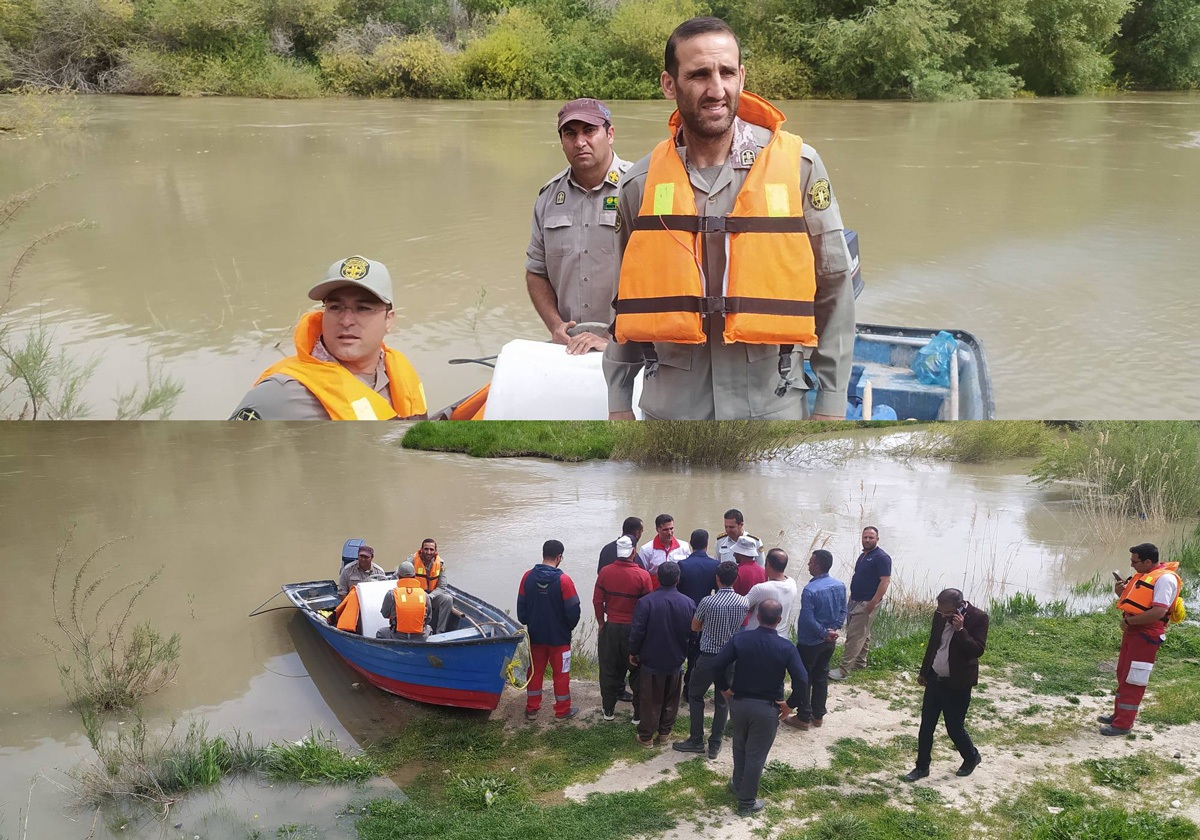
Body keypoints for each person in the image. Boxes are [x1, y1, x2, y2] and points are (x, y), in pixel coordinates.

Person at [603, 17, 854, 421]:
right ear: (670, 84)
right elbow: (623, 298)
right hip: (672, 412)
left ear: (742, 76)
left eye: (727, 72)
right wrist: (618, 404)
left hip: (773, 406)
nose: (716, 89)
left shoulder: (799, 167)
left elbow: (834, 287)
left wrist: (831, 403)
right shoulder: (639, 185)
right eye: (699, 74)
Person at [231, 256, 427, 420]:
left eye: (363, 308)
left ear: (389, 320)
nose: (346, 320)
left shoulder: (395, 371)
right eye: (335, 307)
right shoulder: (280, 395)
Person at [526, 98, 631, 355]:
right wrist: (555, 325)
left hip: (631, 348)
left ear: (610, 134)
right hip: (569, 350)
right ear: (562, 141)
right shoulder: (548, 197)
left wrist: (612, 335)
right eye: (570, 133)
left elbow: (656, 274)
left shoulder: (638, 187)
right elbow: (536, 272)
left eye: (589, 130)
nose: (580, 142)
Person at [712, 600, 808, 815]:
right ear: (779, 620)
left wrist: (724, 689)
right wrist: (790, 705)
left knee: (739, 745)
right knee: (756, 755)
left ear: (757, 616)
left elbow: (718, 664)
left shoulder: (740, 639)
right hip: (767, 708)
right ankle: (746, 802)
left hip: (739, 704)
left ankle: (738, 784)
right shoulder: (786, 647)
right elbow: (802, 680)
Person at [904, 589, 988, 781]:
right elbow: (933, 643)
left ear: (959, 606)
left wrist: (961, 630)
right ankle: (922, 767)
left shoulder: (978, 617)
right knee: (926, 726)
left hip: (957, 684)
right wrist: (924, 672)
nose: (943, 616)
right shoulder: (940, 614)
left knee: (954, 728)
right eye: (941, 612)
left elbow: (977, 650)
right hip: (935, 679)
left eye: (948, 613)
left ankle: (971, 757)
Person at [1101, 542, 1184, 735]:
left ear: (1148, 561)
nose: (1131, 565)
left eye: (1135, 561)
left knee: (1134, 679)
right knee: (1123, 673)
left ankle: (1123, 725)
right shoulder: (1144, 574)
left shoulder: (1165, 580)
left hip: (1147, 634)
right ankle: (1118, 715)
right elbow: (1139, 601)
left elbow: (1158, 611)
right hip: (1134, 630)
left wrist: (1130, 623)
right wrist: (1121, 593)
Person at [674, 560, 749, 759]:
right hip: (730, 658)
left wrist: (706, 628)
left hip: (708, 656)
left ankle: (696, 739)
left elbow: (694, 626)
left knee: (695, 695)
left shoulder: (707, 601)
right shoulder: (743, 602)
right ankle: (715, 744)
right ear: (736, 579)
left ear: (717, 579)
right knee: (722, 701)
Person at [628, 561, 696, 747]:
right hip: (676, 660)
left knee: (650, 699)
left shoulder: (646, 602)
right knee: (671, 698)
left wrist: (633, 652)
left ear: (657, 578)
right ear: (678, 579)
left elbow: (637, 632)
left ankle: (646, 737)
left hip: (651, 660)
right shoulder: (689, 603)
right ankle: (665, 733)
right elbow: (693, 634)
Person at [516, 540, 582, 720]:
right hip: (559, 639)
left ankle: (532, 709)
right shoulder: (564, 580)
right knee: (561, 674)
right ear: (559, 557)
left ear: (543, 554)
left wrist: (528, 622)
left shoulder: (527, 577)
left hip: (536, 636)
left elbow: (521, 608)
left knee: (535, 672)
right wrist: (567, 627)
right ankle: (562, 711)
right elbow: (574, 610)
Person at [784, 549, 847, 730]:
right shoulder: (839, 585)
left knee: (805, 678)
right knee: (821, 676)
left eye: (811, 562)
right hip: (829, 642)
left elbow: (807, 619)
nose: (808, 565)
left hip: (810, 642)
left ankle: (803, 717)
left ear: (817, 566)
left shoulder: (810, 590)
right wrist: (833, 630)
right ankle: (818, 716)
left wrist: (822, 633)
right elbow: (843, 610)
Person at [594, 535, 654, 721]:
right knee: (637, 672)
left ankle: (608, 711)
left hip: (610, 627)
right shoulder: (643, 576)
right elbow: (648, 606)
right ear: (634, 552)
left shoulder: (605, 572)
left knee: (608, 670)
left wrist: (602, 623)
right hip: (633, 629)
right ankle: (637, 715)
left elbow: (597, 601)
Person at [831, 526, 892, 680]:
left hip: (867, 601)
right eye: (865, 537)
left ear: (877, 539)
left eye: (871, 537)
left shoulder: (882, 557)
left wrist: (873, 602)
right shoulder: (864, 555)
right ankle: (859, 662)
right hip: (855, 599)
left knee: (854, 635)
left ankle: (843, 670)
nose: (867, 540)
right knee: (862, 633)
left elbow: (885, 581)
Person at [677, 529, 720, 689]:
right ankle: (689, 688)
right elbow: (718, 592)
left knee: (680, 653)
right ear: (707, 544)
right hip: (704, 619)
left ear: (690, 543)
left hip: (684, 617)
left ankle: (675, 686)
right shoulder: (715, 565)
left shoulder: (682, 565)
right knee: (696, 656)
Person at [409, 538, 453, 634]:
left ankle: (440, 632)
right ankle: (416, 632)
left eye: (431, 549)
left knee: (447, 599)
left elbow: (442, 587)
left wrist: (430, 596)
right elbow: (398, 577)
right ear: (421, 549)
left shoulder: (440, 564)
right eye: (426, 549)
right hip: (414, 597)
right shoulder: (411, 561)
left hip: (431, 596)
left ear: (435, 551)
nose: (428, 552)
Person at [378, 560, 431, 640]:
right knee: (429, 628)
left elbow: (385, 614)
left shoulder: (391, 594)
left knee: (380, 633)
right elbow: (428, 618)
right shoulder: (424, 595)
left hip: (397, 636)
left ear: (399, 576)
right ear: (414, 576)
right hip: (419, 637)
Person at [746, 549, 796, 630]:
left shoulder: (760, 589)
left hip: (757, 635)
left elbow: (740, 606)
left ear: (768, 564)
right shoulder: (792, 583)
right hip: (781, 635)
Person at [637, 514, 692, 580]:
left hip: (678, 588)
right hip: (655, 589)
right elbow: (641, 574)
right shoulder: (646, 550)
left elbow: (689, 570)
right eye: (665, 530)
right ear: (658, 530)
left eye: (671, 528)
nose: (669, 532)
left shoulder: (684, 546)